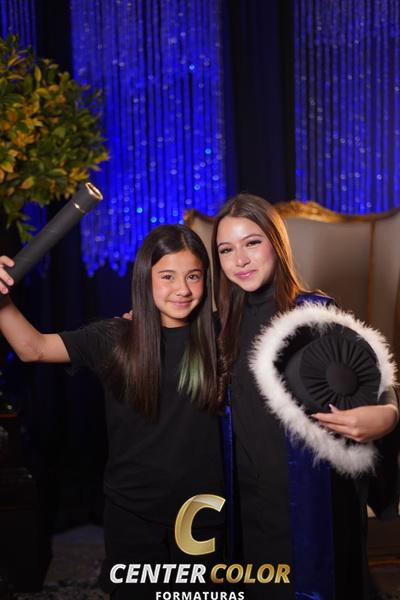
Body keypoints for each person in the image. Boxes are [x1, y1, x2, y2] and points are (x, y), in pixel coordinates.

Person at [0, 224, 225, 599]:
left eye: (193, 276)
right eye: (167, 276)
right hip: (132, 509)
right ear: (145, 279)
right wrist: (2, 301)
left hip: (203, 510)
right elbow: (32, 348)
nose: (182, 289)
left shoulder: (221, 336)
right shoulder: (113, 337)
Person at [211, 193, 399, 600]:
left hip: (314, 503)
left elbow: (375, 381)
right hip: (244, 504)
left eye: (252, 242)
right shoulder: (214, 329)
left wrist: (389, 414)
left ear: (276, 243)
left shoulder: (315, 316)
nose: (240, 259)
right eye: (226, 249)